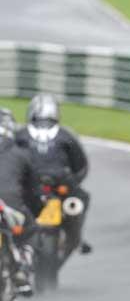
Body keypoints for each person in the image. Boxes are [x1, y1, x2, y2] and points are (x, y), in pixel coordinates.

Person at [16, 94, 91, 259]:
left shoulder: (20, 134)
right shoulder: (66, 135)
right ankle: (76, 238)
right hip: (60, 184)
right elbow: (81, 166)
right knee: (82, 198)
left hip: (27, 185)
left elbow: (9, 160)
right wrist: (73, 183)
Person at [0, 109, 43, 294]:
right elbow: (33, 191)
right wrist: (36, 210)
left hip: (6, 206)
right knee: (31, 229)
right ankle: (22, 268)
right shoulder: (21, 154)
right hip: (11, 204)